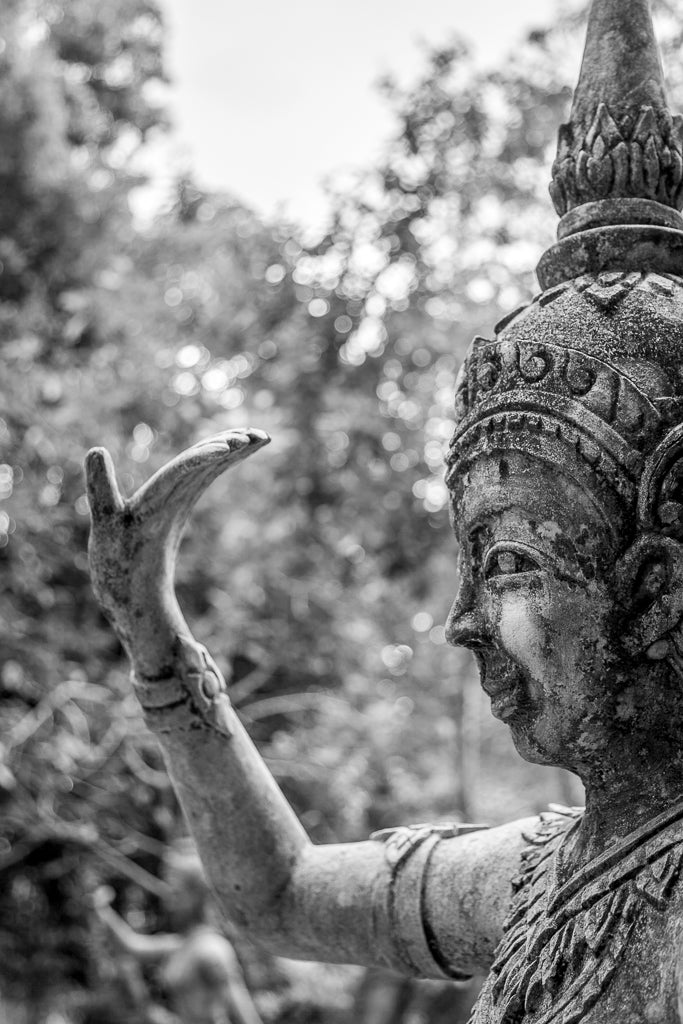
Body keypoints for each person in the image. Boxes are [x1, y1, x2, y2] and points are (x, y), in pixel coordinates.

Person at [85, 0, 683, 1020]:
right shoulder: (531, 878)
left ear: (656, 591)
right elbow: (274, 891)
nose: (459, 623)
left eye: (506, 566)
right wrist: (151, 629)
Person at [93, 842, 263, 1024]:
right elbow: (133, 946)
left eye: (176, 894)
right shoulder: (181, 944)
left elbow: (244, 1013)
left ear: (195, 897)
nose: (168, 902)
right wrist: (103, 910)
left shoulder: (211, 949)